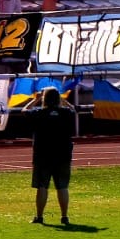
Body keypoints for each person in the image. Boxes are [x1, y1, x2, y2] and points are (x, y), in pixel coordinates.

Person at [26, 87, 75, 225]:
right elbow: (73, 110)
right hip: (63, 155)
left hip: (43, 155)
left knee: (42, 186)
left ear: (44, 99)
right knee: (62, 187)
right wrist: (63, 100)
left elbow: (24, 111)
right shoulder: (66, 113)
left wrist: (35, 100)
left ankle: (40, 216)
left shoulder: (39, 113)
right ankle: (64, 216)